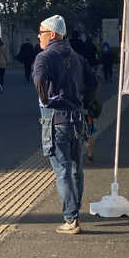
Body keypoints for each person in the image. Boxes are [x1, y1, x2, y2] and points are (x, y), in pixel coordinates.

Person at [33, 14, 96, 235]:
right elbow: (93, 81)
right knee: (76, 169)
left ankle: (71, 219)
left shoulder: (45, 56)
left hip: (55, 118)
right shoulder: (76, 56)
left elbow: (39, 80)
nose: (38, 37)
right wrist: (84, 101)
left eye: (41, 33)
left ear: (52, 34)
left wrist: (45, 99)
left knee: (62, 170)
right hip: (77, 118)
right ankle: (75, 212)